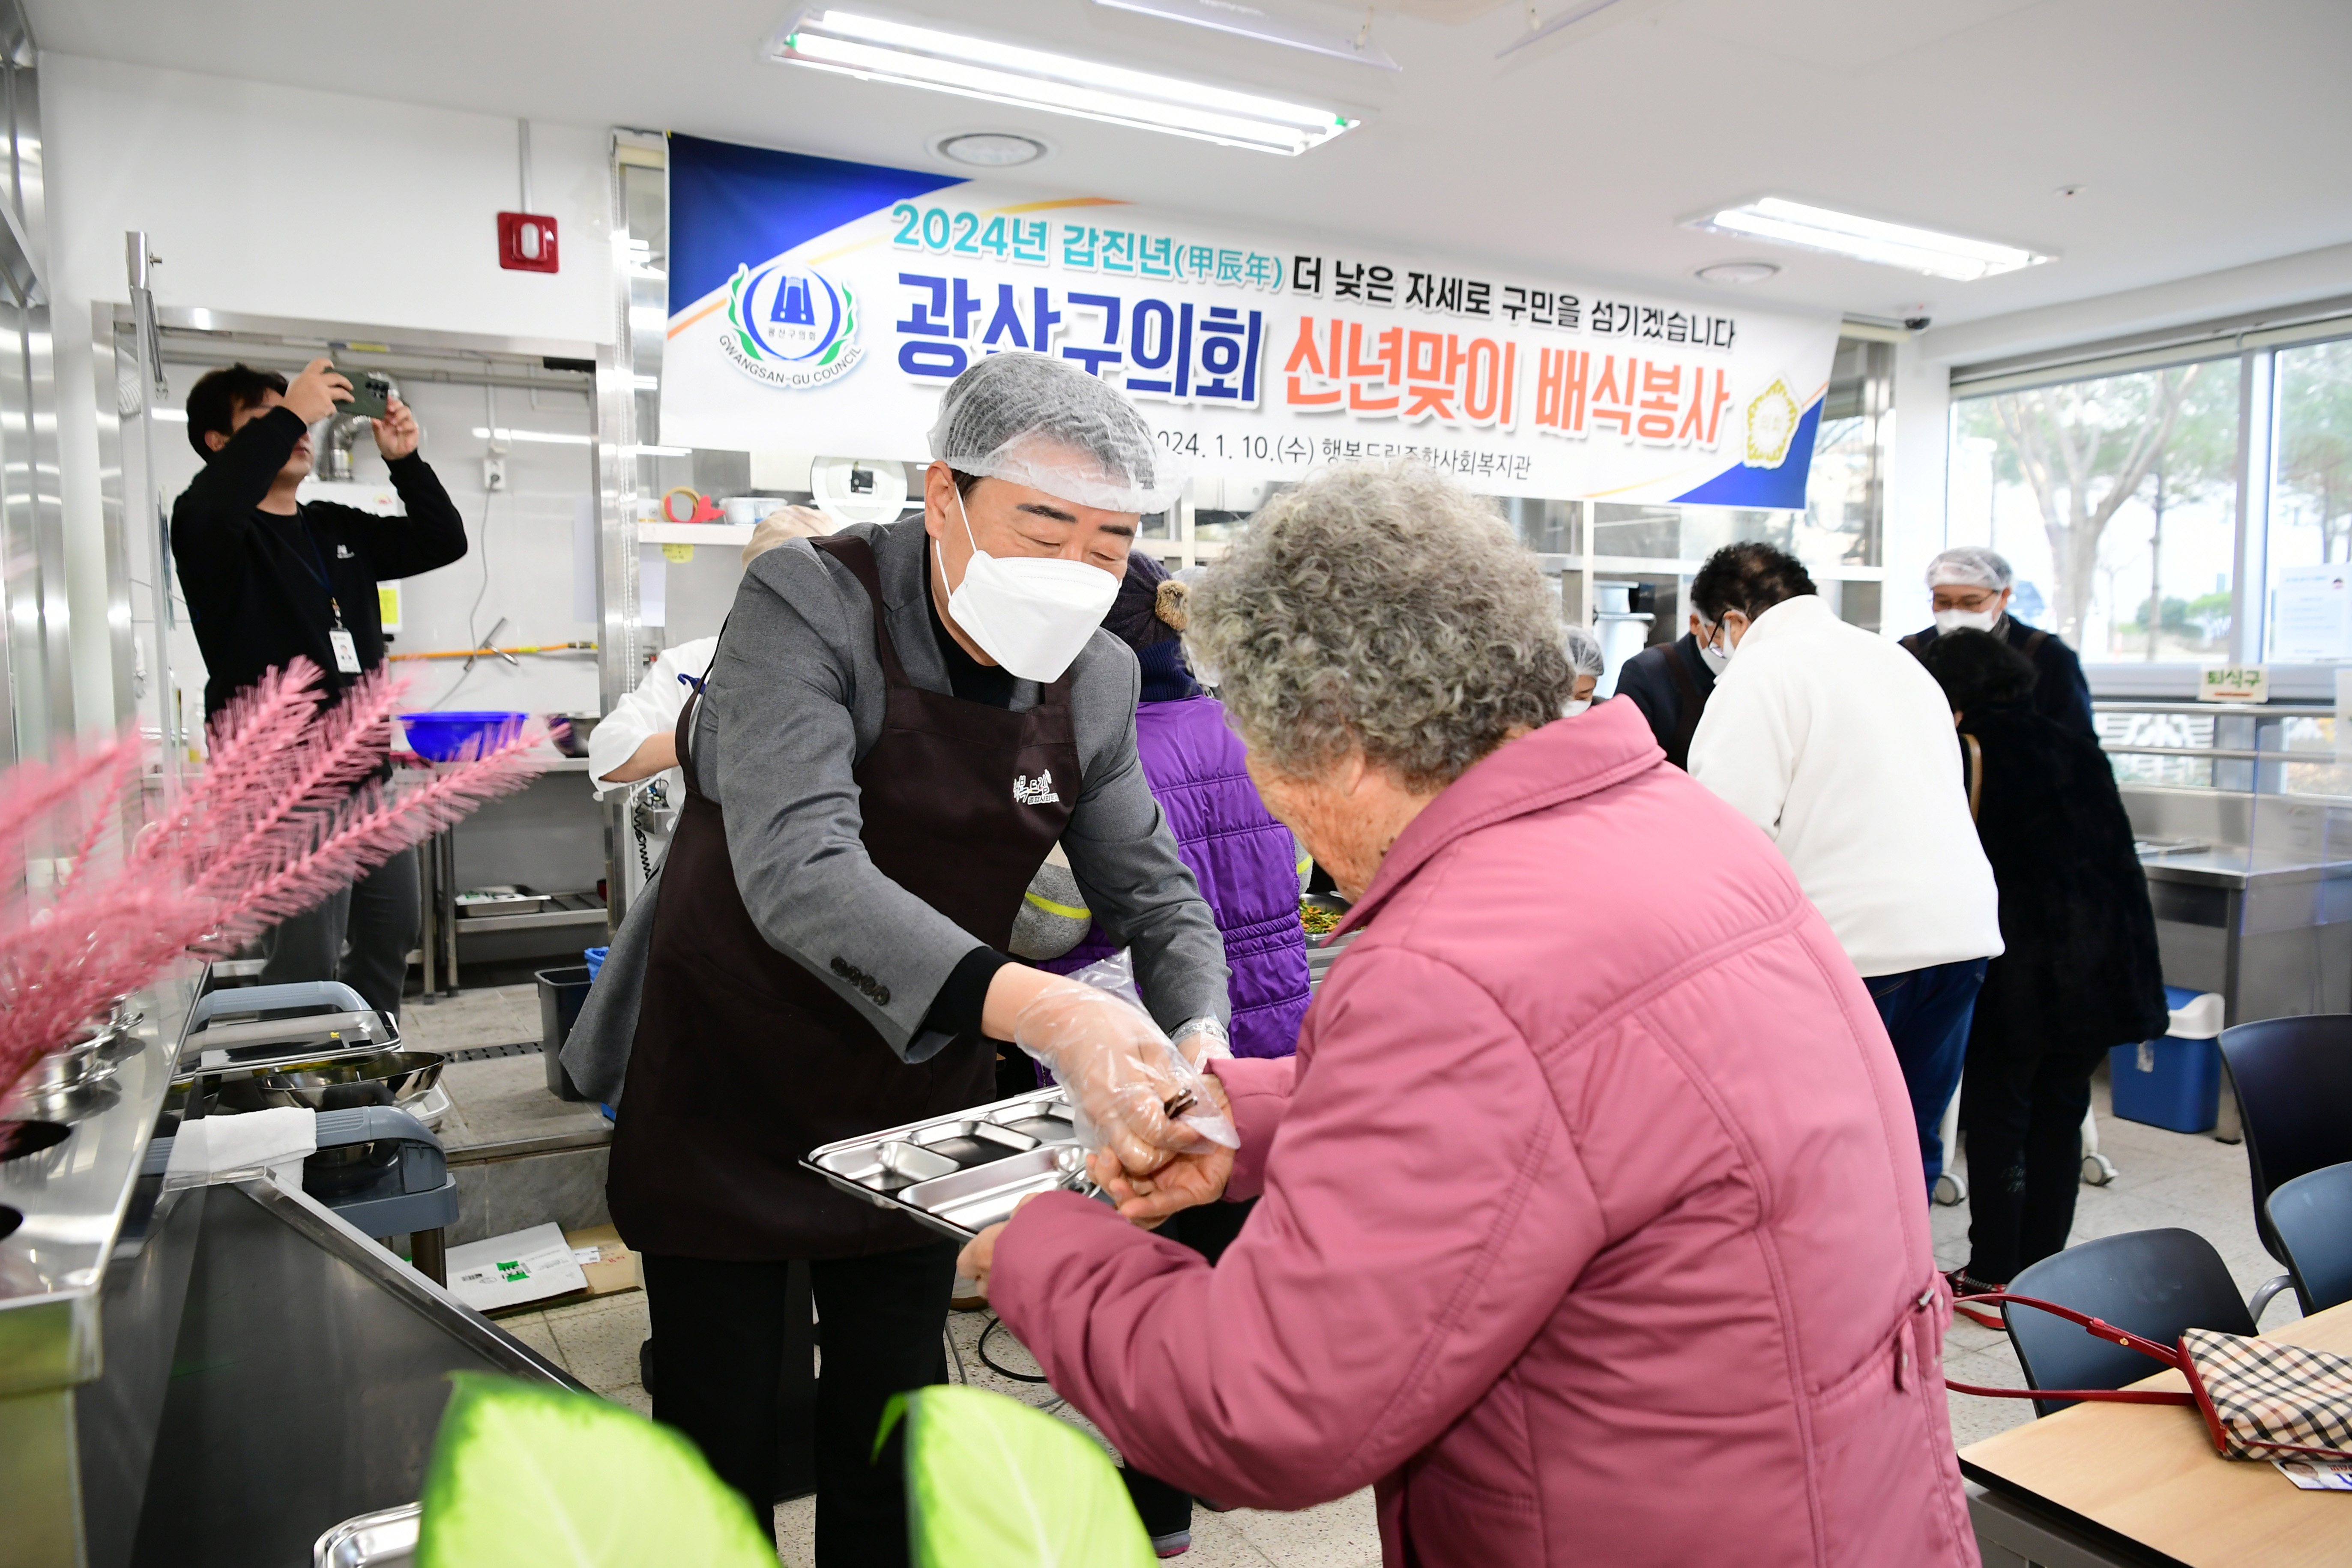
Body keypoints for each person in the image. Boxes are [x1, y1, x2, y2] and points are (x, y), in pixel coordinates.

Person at [953, 463, 1977, 1568]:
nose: (1263, 787)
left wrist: (1042, 1247)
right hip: (1838, 1492)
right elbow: (1565, 1098)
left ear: (1334, 734)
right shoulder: (1676, 821)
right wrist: (1245, 1109)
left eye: (1258, 743)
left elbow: (1268, 1404)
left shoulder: (1456, 958)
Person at [582, 352, 1231, 1565]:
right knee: (715, 1444)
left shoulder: (1092, 676)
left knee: (891, 1427)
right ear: (943, 497)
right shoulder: (807, 602)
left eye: (1111, 541)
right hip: (728, 1075)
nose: (1077, 569)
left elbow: (1156, 894)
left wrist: (1199, 1034)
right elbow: (798, 867)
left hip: (911, 1106)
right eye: (1043, 523)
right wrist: (1053, 1014)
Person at [1032, 549, 1311, 1554]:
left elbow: (1075, 921)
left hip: (1152, 1033)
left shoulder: (1096, 743)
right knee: (1235, 1260)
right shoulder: (1239, 727)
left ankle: (1157, 1501)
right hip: (1268, 1019)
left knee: (1150, 1267)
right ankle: (1225, 1454)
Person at [1684, 542, 2002, 1194]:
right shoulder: (1896, 660)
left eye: (1710, 633)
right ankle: (1910, 1288)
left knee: (1834, 1150)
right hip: (1960, 934)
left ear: (1733, 621)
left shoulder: (1759, 671)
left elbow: (1726, 836)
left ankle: (1845, 1292)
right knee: (1910, 1137)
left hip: (1856, 950)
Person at [172, 359, 468, 1021]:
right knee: (306, 959)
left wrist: (407, 462)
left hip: (367, 777)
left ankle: (359, 1089)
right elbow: (209, 504)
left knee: (391, 936)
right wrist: (294, 412)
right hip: (282, 788)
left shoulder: (334, 527)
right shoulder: (214, 533)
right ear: (221, 443)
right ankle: (274, 1104)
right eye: (268, 419)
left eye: (298, 417)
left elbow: (444, 540)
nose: (299, 431)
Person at [1919, 631, 2167, 1291]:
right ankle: (2046, 1270)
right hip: (2104, 966)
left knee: (2001, 1112)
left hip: (2025, 970)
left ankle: (1995, 1270)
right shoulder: (2074, 745)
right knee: (2061, 1110)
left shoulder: (1968, 752)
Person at [585, 507, 828, 801]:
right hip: (714, 844)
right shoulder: (693, 663)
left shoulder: (862, 668)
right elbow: (609, 758)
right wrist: (708, 738)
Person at [1900, 546, 2095, 739]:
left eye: (1971, 603)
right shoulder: (1910, 653)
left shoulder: (2046, 654)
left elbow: (2078, 741)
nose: (1955, 612)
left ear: (2003, 596)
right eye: (1943, 602)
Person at [1610, 602, 1722, 767]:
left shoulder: (1759, 675)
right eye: (1722, 633)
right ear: (1696, 623)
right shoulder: (1647, 674)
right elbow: (1625, 766)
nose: (1733, 642)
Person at [1560, 621, 1604, 712]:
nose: (1572, 704)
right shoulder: (1526, 722)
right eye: (1562, 698)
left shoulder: (1607, 717)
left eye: (1583, 698)